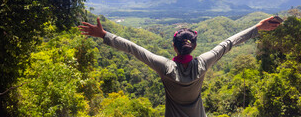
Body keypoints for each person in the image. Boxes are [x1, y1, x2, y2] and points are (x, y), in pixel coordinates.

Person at [79, 16, 281, 117]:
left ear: (173, 47)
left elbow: (134, 49)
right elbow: (229, 43)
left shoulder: (165, 68)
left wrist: (105, 35)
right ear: (193, 47)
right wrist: (258, 27)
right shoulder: (202, 64)